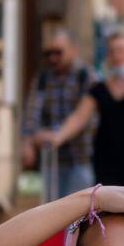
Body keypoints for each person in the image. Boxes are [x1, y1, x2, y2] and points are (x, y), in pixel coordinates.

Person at [38, 27, 124, 193]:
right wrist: (57, 136)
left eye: (121, 50)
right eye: (112, 52)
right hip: (108, 165)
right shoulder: (99, 88)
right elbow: (79, 117)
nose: (117, 57)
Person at [21, 28, 96, 197]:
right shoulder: (43, 77)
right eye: (48, 53)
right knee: (52, 210)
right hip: (52, 160)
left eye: (58, 52)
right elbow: (32, 110)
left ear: (73, 50)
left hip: (80, 158)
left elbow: (82, 115)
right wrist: (28, 141)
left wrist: (57, 136)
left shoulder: (85, 76)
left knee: (79, 213)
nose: (53, 58)